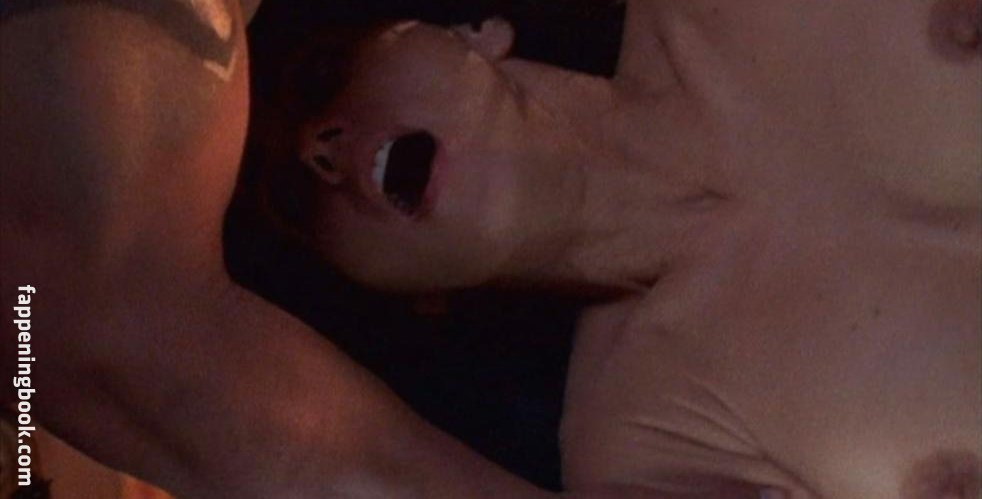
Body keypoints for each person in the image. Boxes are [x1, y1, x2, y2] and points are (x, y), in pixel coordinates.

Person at [1, 0, 978, 498]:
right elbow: (71, 333)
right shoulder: (646, 445)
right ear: (419, 298)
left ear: (475, 33)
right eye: (298, 202)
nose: (321, 148)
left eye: (325, 77)